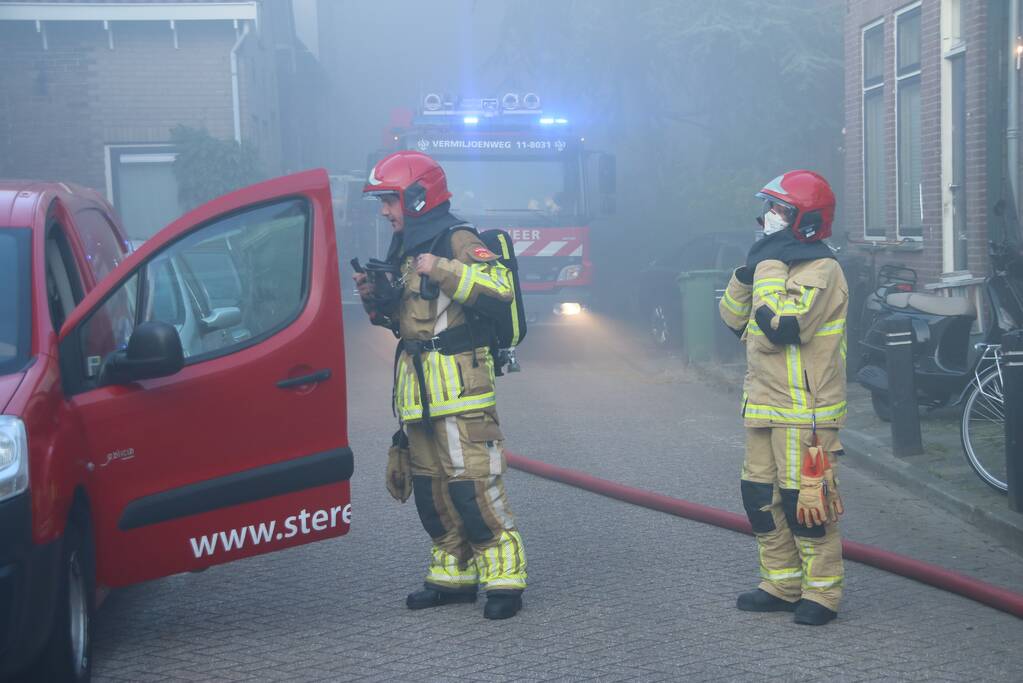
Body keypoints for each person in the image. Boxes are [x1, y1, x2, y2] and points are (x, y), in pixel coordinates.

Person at [355, 150, 527, 620]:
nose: (384, 211)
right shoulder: (405, 248)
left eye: (389, 200)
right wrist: (375, 300)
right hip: (418, 395)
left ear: (416, 197)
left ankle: (505, 580)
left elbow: (500, 290)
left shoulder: (457, 238)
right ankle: (453, 578)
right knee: (432, 494)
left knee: (473, 487)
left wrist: (443, 268)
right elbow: (408, 324)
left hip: (462, 392)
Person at [718, 170, 848, 626]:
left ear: (804, 220)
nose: (768, 217)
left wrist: (768, 265)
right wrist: (746, 274)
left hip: (804, 413)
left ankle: (822, 593)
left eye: (779, 209)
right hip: (762, 407)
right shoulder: (772, 266)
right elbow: (733, 319)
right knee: (760, 498)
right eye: (769, 207)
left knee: (805, 504)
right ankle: (781, 583)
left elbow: (782, 326)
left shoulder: (822, 269)